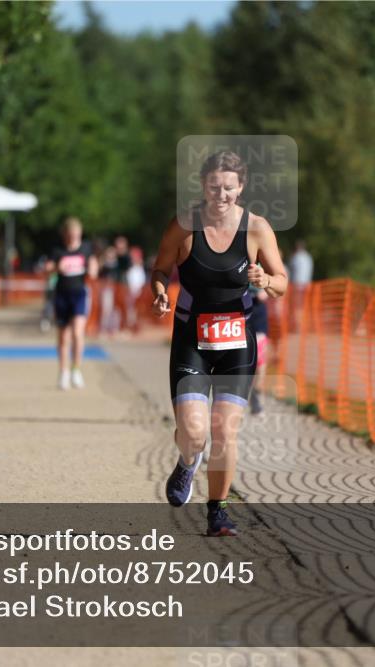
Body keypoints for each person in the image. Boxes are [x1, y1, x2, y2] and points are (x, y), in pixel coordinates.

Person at [150, 150, 287, 537]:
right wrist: (160, 290)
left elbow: (282, 282)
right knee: (194, 432)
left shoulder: (257, 228)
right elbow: (160, 267)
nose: (221, 194)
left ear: (241, 187)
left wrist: (265, 281)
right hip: (192, 337)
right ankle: (187, 460)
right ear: (203, 186)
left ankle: (218, 512)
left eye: (229, 187)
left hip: (237, 340)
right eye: (214, 186)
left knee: (225, 431)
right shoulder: (183, 226)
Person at [45, 217, 98, 390]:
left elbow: (94, 270)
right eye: (70, 235)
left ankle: (76, 369)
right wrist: (55, 268)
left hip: (79, 294)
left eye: (76, 235)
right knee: (63, 336)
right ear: (65, 235)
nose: (73, 238)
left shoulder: (86, 249)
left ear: (80, 234)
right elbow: (47, 268)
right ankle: (64, 372)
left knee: (77, 331)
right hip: (61, 294)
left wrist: (93, 268)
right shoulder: (58, 250)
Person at [247, 284, 270, 415]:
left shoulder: (262, 265)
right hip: (240, 323)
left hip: (259, 326)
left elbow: (278, 281)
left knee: (260, 366)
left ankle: (255, 401)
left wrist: (265, 289)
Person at [287, 240, 313, 328]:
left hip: (297, 285)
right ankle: (304, 325)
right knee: (304, 306)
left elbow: (291, 269)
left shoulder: (296, 257)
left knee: (297, 306)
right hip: (307, 285)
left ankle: (298, 326)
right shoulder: (308, 257)